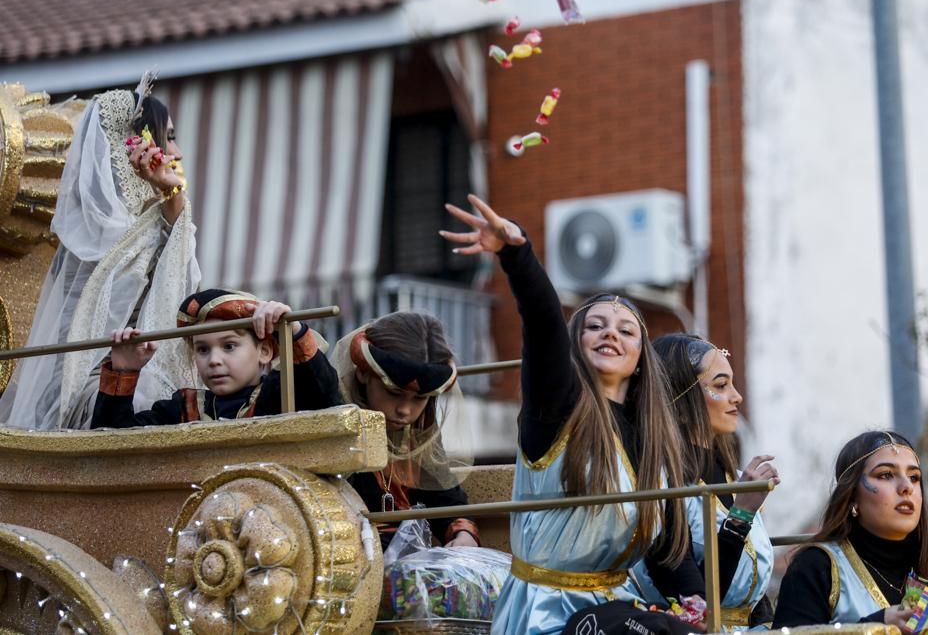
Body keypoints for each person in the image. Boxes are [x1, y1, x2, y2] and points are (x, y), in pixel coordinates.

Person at [440, 194, 703, 635]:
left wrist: (700, 607)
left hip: (616, 606)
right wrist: (517, 253)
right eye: (595, 326)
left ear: (641, 356)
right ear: (575, 343)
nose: (610, 334)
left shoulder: (655, 442)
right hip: (546, 611)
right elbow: (542, 325)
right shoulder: (557, 407)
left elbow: (667, 554)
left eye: (626, 330)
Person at [0, 80, 200, 430]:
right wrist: (170, 193)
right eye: (167, 137)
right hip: (96, 387)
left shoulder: (147, 224)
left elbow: (180, 268)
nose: (178, 152)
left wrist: (171, 192)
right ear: (131, 146)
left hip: (144, 375)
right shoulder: (100, 232)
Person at [772, 431, 928, 635]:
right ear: (852, 497)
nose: (906, 487)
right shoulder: (816, 567)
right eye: (886, 475)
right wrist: (877, 625)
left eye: (914, 477)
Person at [632, 334, 777, 630]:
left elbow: (756, 596)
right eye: (721, 386)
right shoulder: (658, 483)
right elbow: (695, 604)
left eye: (732, 384)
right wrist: (740, 517)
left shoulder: (734, 477)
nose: (737, 397)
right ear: (680, 399)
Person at [332, 311, 480, 547]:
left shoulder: (418, 435)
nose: (405, 410)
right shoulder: (334, 419)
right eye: (394, 393)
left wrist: (463, 534)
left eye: (419, 399)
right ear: (362, 373)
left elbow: (444, 497)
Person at [90, 289, 341, 427]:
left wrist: (293, 330)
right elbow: (114, 448)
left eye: (229, 346)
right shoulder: (181, 409)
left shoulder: (282, 394)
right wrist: (123, 372)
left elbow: (324, 395)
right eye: (202, 349)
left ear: (264, 351)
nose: (214, 360)